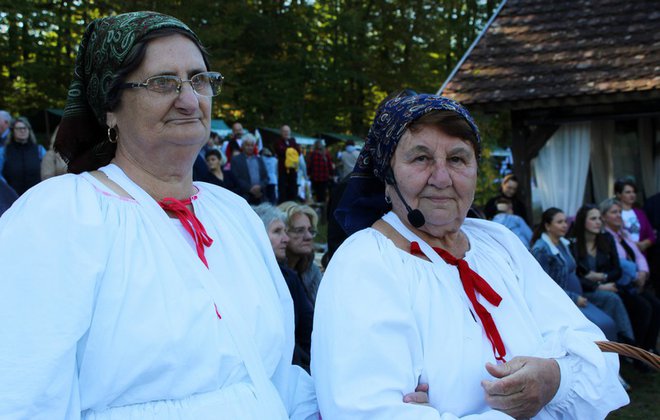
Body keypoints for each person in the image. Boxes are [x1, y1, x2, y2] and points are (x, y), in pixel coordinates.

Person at [0, 12, 317, 419]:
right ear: (110, 109)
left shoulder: (233, 213)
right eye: (162, 82)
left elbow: (272, 379)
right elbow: (20, 393)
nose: (189, 100)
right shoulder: (62, 215)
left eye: (199, 80)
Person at [312, 93, 627, 418]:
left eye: (458, 159)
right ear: (386, 175)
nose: (442, 178)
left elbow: (594, 351)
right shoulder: (365, 263)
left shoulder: (497, 243)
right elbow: (367, 411)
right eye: (420, 158)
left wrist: (555, 380)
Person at [530, 207, 618, 341]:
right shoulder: (541, 249)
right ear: (547, 226)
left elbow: (573, 270)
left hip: (579, 297)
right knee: (602, 325)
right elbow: (544, 285)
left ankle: (625, 348)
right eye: (559, 222)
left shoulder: (563, 243)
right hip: (564, 302)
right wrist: (574, 298)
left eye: (565, 221)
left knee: (609, 318)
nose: (565, 225)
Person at [253, 203, 314, 372]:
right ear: (257, 235)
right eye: (277, 231)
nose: (285, 239)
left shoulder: (289, 278)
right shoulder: (242, 281)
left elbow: (309, 330)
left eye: (285, 231)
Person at [567, 205, 636, 345]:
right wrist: (598, 287)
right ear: (582, 221)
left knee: (644, 304)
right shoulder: (572, 244)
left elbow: (617, 270)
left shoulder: (607, 238)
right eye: (593, 218)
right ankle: (628, 344)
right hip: (585, 292)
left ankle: (624, 344)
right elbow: (576, 277)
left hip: (609, 285)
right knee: (613, 299)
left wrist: (603, 278)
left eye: (599, 218)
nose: (598, 222)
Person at [601, 198, 660, 354]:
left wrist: (643, 272)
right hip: (621, 284)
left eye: (619, 212)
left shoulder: (623, 233)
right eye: (614, 212)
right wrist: (636, 276)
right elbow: (618, 263)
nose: (619, 215)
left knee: (656, 305)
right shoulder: (605, 237)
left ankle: (649, 348)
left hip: (635, 282)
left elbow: (639, 256)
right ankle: (636, 352)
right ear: (604, 216)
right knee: (644, 309)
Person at [279, 201, 323, 305]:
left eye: (310, 230)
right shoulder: (272, 273)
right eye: (299, 230)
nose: (308, 237)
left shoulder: (312, 271)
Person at [2, 116, 46, 195]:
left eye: (25, 128)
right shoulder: (4, 151)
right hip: (12, 198)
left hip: (37, 195)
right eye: (18, 128)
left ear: (29, 130)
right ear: (12, 131)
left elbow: (47, 172)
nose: (22, 131)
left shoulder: (39, 150)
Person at [614, 178, 655, 254]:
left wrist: (644, 244)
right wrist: (631, 245)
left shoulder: (640, 213)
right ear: (619, 194)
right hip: (623, 255)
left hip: (641, 255)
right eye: (628, 192)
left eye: (633, 192)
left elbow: (651, 236)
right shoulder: (614, 213)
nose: (632, 195)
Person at [230, 133, 268, 204]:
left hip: (260, 196)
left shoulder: (259, 159)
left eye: (252, 145)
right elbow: (235, 178)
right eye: (247, 145)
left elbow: (266, 178)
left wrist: (259, 187)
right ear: (242, 146)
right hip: (244, 196)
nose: (250, 147)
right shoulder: (236, 160)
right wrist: (250, 188)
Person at [275, 124, 300, 203]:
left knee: (293, 189)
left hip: (293, 170)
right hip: (283, 170)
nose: (286, 133)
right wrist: (291, 151)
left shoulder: (293, 141)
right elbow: (280, 150)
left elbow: (298, 152)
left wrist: (288, 151)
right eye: (284, 131)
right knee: (283, 190)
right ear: (281, 132)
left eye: (287, 131)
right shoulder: (278, 141)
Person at [307, 139, 333, 203]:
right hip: (318, 177)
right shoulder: (313, 154)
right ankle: (321, 207)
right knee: (319, 193)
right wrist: (309, 174)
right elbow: (310, 164)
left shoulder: (325, 153)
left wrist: (332, 174)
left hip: (321, 177)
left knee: (321, 193)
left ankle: (322, 207)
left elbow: (329, 164)